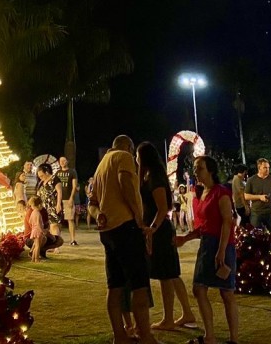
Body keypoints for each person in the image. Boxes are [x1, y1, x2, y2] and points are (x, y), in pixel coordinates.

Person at [89, 135, 159, 344]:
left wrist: (98, 214)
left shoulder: (100, 166)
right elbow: (126, 183)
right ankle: (145, 336)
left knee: (115, 285)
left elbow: (92, 202)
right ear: (128, 147)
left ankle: (120, 336)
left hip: (107, 230)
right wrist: (138, 218)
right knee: (139, 284)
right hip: (126, 227)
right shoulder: (124, 157)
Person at [175, 155, 238, 344]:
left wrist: (221, 251)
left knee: (226, 293)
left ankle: (234, 339)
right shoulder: (203, 193)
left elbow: (227, 223)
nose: (196, 171)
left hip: (222, 245)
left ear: (210, 170)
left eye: (199, 168)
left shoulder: (221, 193)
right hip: (207, 245)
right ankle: (209, 336)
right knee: (199, 289)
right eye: (195, 168)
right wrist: (185, 238)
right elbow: (204, 226)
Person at [134, 142, 197, 331]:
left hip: (160, 231)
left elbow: (163, 207)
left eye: (138, 155)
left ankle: (168, 318)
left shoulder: (155, 178)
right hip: (157, 229)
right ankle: (186, 312)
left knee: (166, 275)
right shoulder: (147, 175)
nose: (136, 159)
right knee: (170, 274)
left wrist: (152, 229)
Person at [244, 157, 271, 231]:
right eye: (265, 167)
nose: (267, 169)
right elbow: (246, 196)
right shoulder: (251, 180)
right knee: (256, 235)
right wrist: (259, 197)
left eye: (268, 167)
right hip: (257, 212)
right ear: (259, 168)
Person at [36, 163, 64, 247]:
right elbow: (38, 194)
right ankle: (51, 244)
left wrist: (58, 204)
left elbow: (59, 191)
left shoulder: (55, 179)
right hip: (44, 207)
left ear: (47, 172)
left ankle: (56, 245)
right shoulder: (41, 182)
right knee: (48, 227)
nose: (41, 177)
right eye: (39, 176)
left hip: (53, 205)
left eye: (42, 175)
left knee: (54, 225)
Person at [56, 155, 80, 246]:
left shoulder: (72, 172)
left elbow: (74, 186)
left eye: (64, 160)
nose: (62, 162)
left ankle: (73, 239)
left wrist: (71, 198)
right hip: (58, 199)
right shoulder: (57, 173)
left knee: (70, 219)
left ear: (67, 162)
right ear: (59, 163)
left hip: (67, 198)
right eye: (61, 161)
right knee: (57, 220)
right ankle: (57, 239)